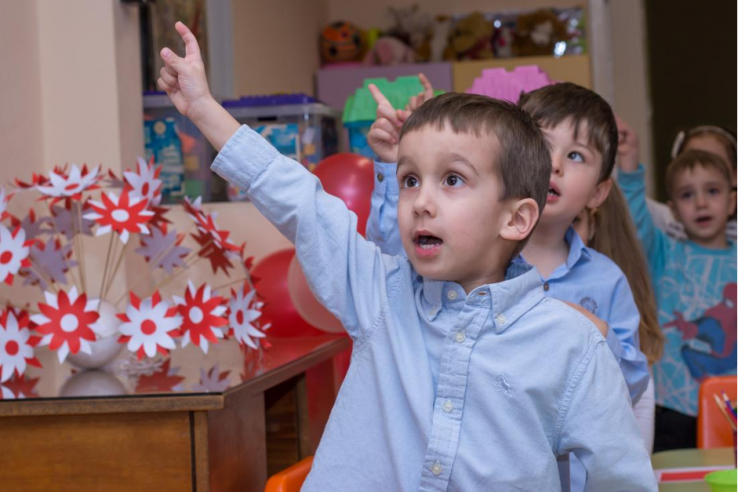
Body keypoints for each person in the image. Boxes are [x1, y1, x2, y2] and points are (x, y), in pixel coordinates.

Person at [157, 22, 656, 491]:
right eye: (410, 179)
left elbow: (623, 477)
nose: (421, 200)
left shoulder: (570, 345)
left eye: (453, 180)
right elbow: (300, 202)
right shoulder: (378, 293)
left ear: (516, 219)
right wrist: (203, 108)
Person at [367, 80, 651, 490]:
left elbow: (630, 384)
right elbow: (395, 256)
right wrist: (402, 162)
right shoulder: (466, 254)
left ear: (599, 191)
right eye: (541, 143)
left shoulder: (606, 280)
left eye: (575, 155)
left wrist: (593, 332)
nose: (553, 164)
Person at [617, 117, 738, 452]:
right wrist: (629, 166)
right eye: (688, 195)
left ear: (731, 201)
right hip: (672, 407)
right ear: (673, 209)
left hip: (733, 402)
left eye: (712, 191)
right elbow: (635, 218)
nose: (701, 203)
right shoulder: (662, 251)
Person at [572, 183, 665, 453]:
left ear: (594, 227)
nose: (559, 234)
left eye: (574, 221)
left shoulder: (611, 283)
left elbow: (639, 397)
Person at [647, 125, 738, 241]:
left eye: (712, 191)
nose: (701, 203)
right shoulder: (669, 234)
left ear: (736, 175)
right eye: (691, 161)